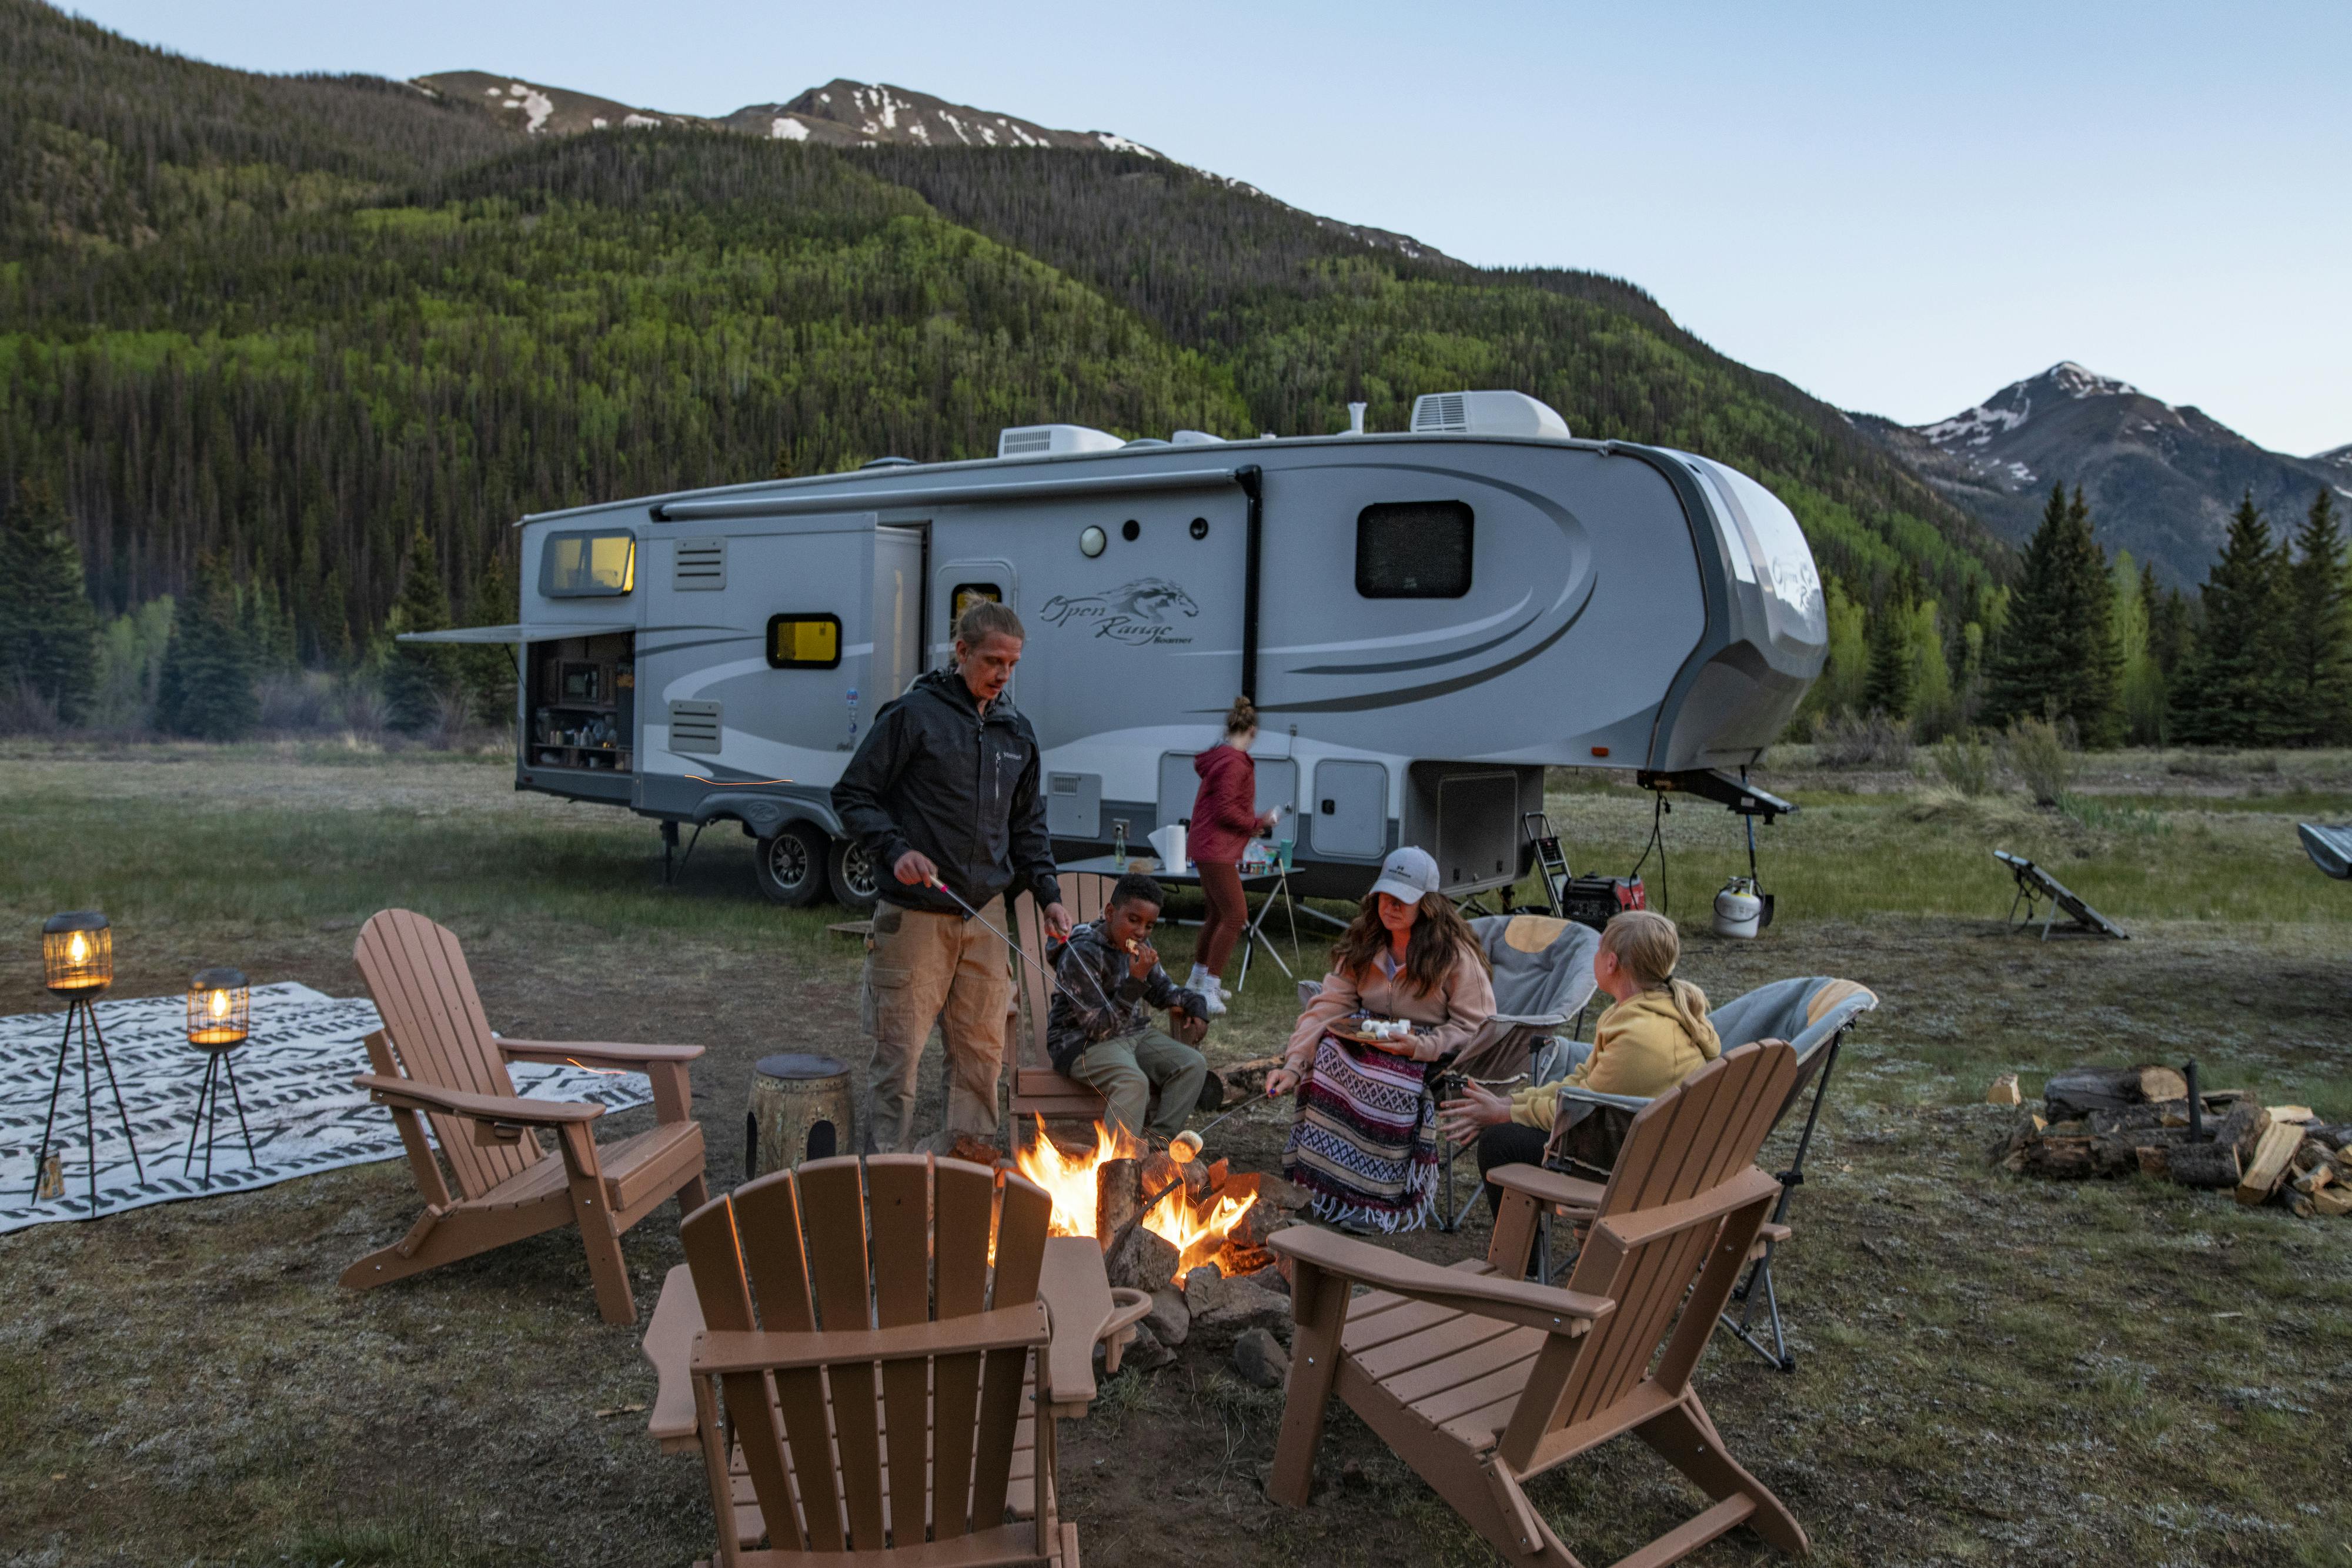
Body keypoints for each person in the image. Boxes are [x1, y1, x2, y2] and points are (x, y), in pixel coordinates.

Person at [833, 600, 1071, 1154]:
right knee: (900, 1059)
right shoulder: (914, 715)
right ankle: (887, 1181)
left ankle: (967, 1177)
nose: (1003, 674)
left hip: (985, 914)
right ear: (961, 652)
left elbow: (1028, 825)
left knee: (980, 1058)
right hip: (915, 915)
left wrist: (1049, 894)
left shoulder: (1017, 732)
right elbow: (852, 793)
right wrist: (894, 851)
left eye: (1012, 664)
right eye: (993, 660)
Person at [1439, 908, 1720, 1221]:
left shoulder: (1639, 1036)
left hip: (1637, 1160)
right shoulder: (1645, 1011)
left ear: (1611, 963)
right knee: (1509, 1129)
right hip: (1647, 1140)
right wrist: (1510, 1102)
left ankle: (1524, 1264)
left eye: (1599, 951)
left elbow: (1582, 1110)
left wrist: (1504, 1114)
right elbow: (1582, 1083)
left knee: (1501, 1143)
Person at [1269, 846, 1495, 1231]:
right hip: (1368, 1036)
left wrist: (1425, 1046)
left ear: (1427, 903)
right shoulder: (1365, 944)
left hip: (1430, 1053)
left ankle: (1376, 1201)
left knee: (1381, 1080)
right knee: (1325, 1059)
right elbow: (1327, 1007)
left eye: (1401, 899)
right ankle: (1322, 1185)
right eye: (1384, 896)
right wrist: (1294, 1064)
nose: (1390, 905)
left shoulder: (1452, 957)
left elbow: (1478, 1026)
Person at [1047, 872, 1213, 1143]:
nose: (1140, 932)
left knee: (1192, 1065)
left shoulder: (1140, 945)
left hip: (1129, 1034)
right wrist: (1135, 982)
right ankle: (1120, 1165)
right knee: (1133, 1082)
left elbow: (1162, 990)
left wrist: (1196, 1004)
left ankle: (1156, 1152)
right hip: (1081, 1044)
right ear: (1110, 912)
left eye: (1149, 926)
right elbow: (1097, 1028)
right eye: (1133, 920)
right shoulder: (1082, 953)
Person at [1186, 696, 1280, 1015]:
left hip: (1211, 846)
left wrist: (1250, 826)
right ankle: (1209, 988)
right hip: (1216, 850)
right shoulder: (1234, 763)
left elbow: (1223, 809)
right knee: (1236, 915)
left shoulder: (1222, 759)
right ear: (1251, 731)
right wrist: (1259, 822)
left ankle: (1197, 980)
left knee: (1216, 915)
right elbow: (1225, 810)